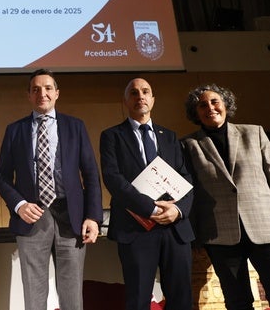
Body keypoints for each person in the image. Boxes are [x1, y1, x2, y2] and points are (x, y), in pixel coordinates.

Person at [0, 68, 103, 310]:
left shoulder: (75, 126)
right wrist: (19, 205)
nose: (41, 93)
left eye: (47, 88)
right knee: (34, 295)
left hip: (71, 217)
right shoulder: (15, 130)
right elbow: (1, 175)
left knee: (72, 295)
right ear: (29, 96)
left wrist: (93, 217)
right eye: (35, 89)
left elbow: (91, 174)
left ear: (57, 93)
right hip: (32, 218)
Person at [99, 78, 194, 310]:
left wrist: (178, 210)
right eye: (133, 92)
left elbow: (186, 178)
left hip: (175, 229)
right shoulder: (112, 136)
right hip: (136, 229)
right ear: (125, 101)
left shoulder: (169, 136)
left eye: (145, 91)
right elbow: (113, 179)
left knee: (181, 299)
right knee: (138, 299)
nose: (140, 96)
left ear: (152, 99)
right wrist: (150, 209)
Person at [181, 84, 270, 310]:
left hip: (264, 228)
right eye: (202, 105)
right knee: (237, 300)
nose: (210, 108)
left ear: (225, 105)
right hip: (220, 235)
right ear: (196, 112)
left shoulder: (254, 132)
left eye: (214, 102)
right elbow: (188, 191)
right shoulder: (188, 145)